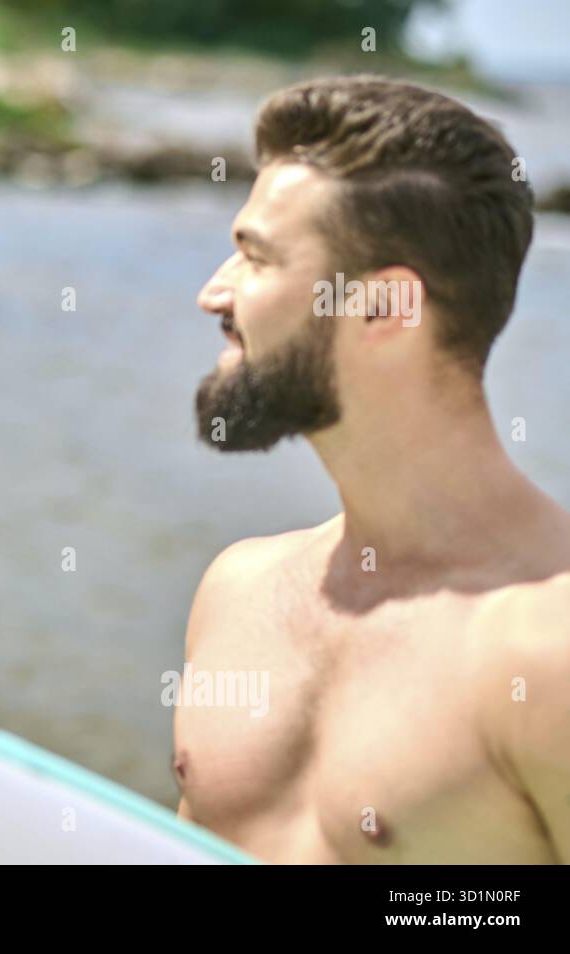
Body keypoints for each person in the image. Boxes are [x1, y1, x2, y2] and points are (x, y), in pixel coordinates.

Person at [176, 75, 567, 862]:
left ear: (386, 309)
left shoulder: (546, 646)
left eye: (255, 258)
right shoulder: (238, 591)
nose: (211, 293)